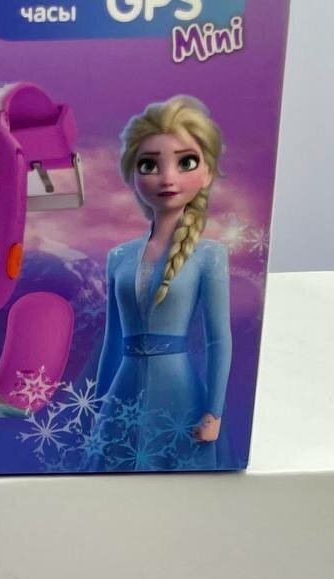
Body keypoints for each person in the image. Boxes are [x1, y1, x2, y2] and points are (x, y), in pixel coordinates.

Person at [96, 95, 232, 468]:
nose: (168, 178)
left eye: (185, 162)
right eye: (149, 165)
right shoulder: (119, 256)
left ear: (207, 173)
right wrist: (98, 404)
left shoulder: (209, 255)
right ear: (132, 174)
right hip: (123, 391)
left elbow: (219, 339)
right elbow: (112, 340)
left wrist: (214, 411)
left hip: (179, 393)